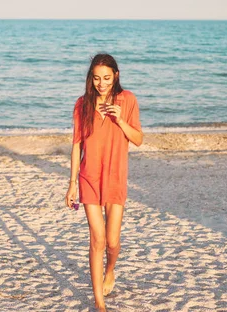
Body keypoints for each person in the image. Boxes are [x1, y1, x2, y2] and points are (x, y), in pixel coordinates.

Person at [65, 53, 143, 311]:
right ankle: (99, 304)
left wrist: (119, 119)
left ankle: (111, 271)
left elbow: (139, 139)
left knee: (112, 242)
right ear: (91, 78)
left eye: (107, 78)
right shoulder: (82, 104)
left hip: (115, 177)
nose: (101, 83)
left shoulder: (128, 100)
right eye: (97, 78)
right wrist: (72, 184)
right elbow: (76, 145)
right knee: (97, 240)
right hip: (89, 177)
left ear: (116, 76)